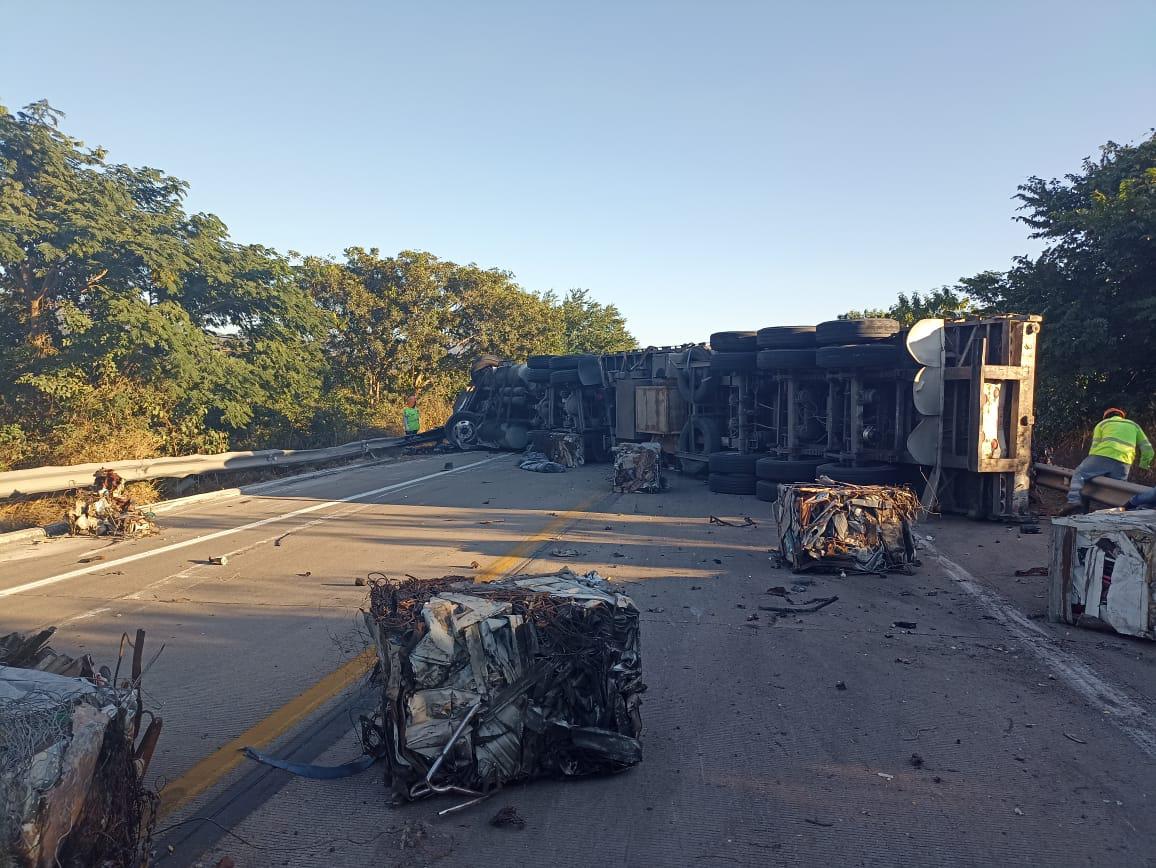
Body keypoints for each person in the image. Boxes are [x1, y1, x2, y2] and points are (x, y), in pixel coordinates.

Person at [1060, 408, 1153, 515]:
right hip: (1124, 462)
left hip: (1102, 456)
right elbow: (1148, 450)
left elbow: (1095, 446)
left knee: (1080, 473)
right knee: (1116, 491)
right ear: (1122, 416)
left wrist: (1092, 462)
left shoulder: (1103, 424)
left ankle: (1073, 501)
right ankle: (1115, 516)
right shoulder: (1134, 425)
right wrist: (1144, 466)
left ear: (1106, 417)